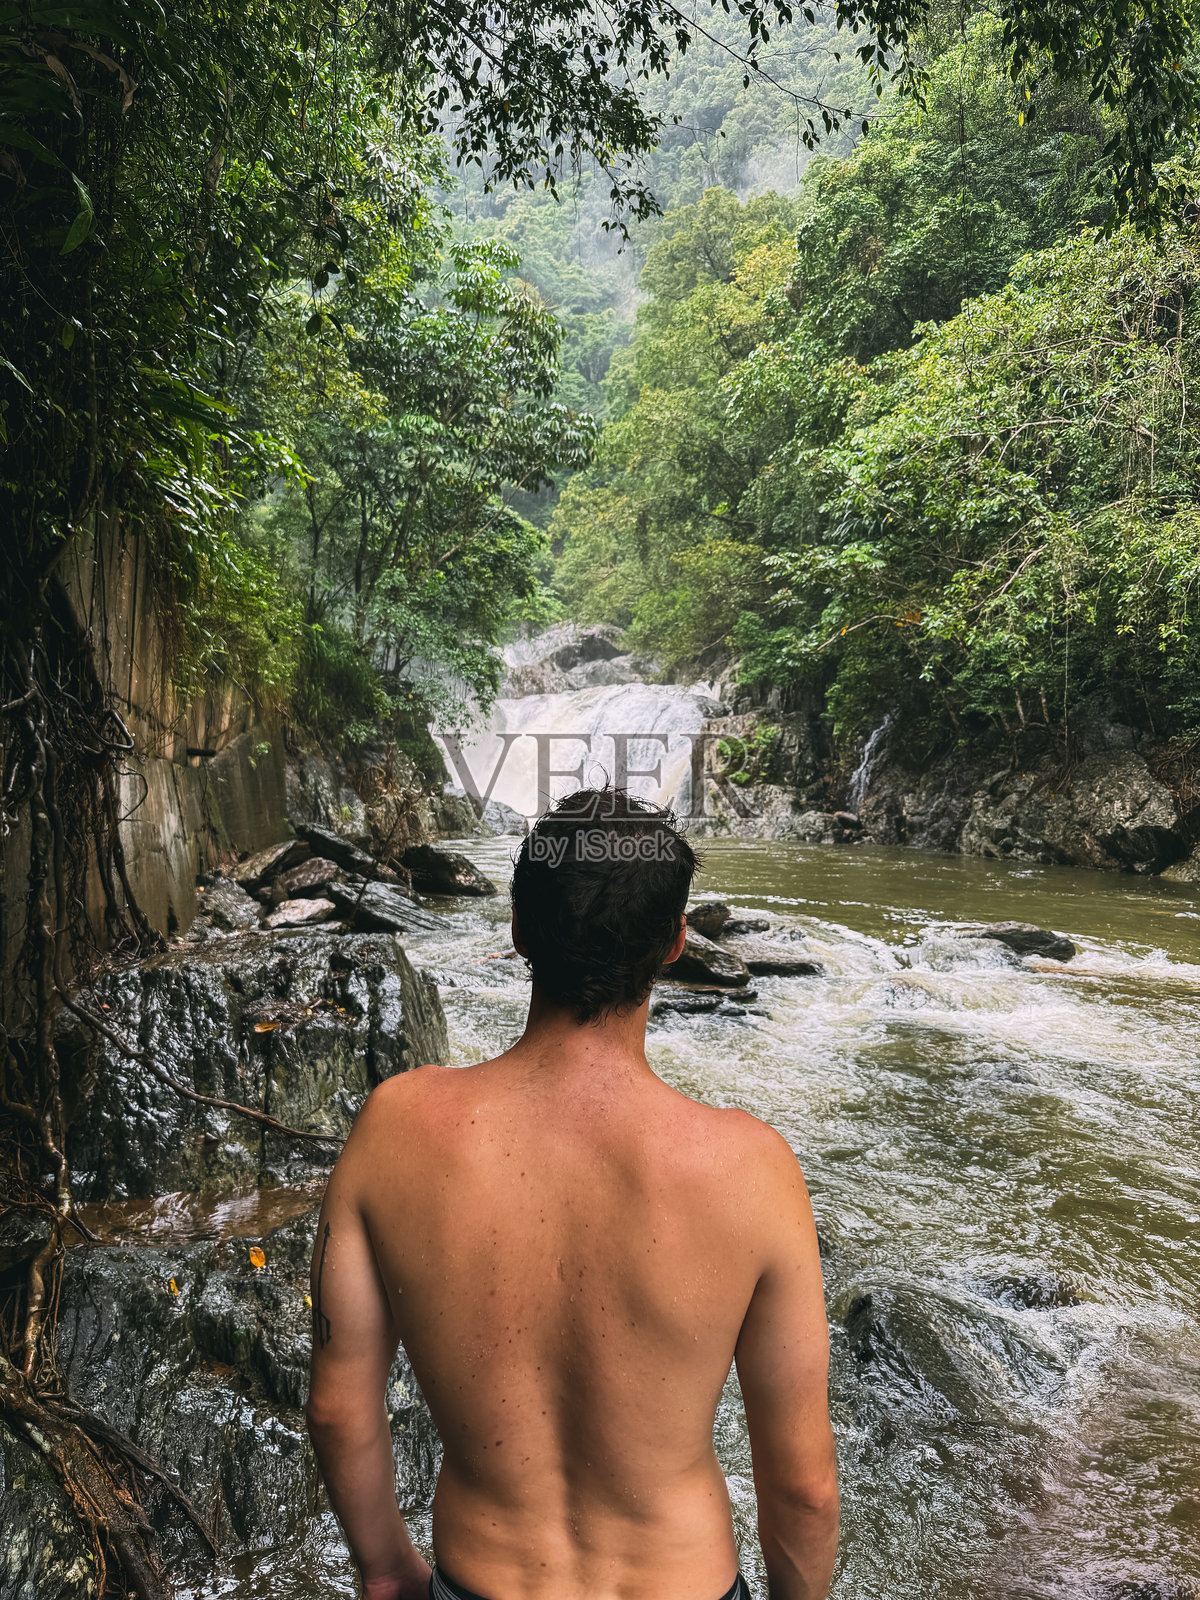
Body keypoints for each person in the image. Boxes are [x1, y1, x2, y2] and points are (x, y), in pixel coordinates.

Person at [306, 787, 839, 1600]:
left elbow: (340, 1409)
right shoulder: (751, 1167)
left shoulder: (395, 1128)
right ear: (674, 944)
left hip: (481, 1580)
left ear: (519, 933)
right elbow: (803, 1485)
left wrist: (385, 1569)